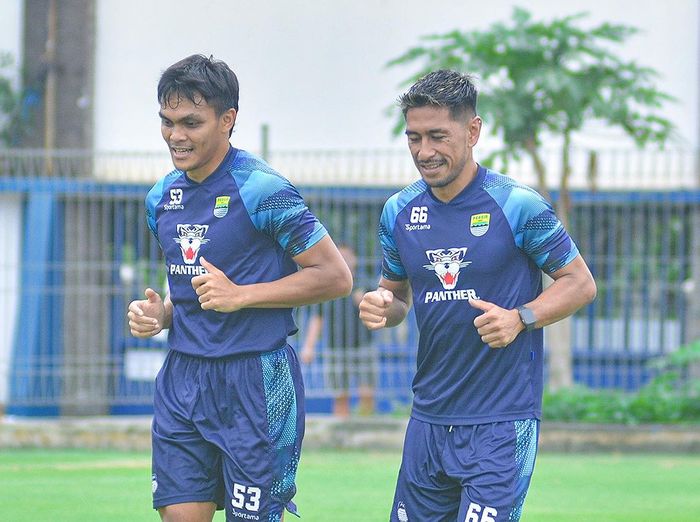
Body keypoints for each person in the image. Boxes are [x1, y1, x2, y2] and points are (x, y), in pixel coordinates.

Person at [358, 70, 596, 522]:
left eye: (437, 136)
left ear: (473, 131)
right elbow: (396, 297)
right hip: (428, 417)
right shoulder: (398, 212)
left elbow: (580, 283)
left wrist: (521, 317)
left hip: (501, 421)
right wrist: (381, 307)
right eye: (413, 138)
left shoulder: (517, 205)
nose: (424, 152)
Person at [127, 54, 352, 522]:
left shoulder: (262, 189)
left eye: (191, 122)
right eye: (167, 122)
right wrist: (164, 314)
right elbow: (191, 283)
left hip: (256, 380)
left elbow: (335, 277)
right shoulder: (160, 199)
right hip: (183, 377)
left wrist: (243, 295)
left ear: (227, 120)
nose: (175, 136)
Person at [300, 244, 376, 417]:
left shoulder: (365, 282)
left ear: (355, 260)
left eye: (348, 256)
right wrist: (309, 346)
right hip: (336, 347)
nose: (346, 261)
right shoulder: (329, 284)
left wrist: (365, 302)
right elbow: (318, 317)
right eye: (341, 256)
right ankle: (342, 434)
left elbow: (381, 310)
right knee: (340, 394)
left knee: (367, 392)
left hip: (363, 345)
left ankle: (366, 426)